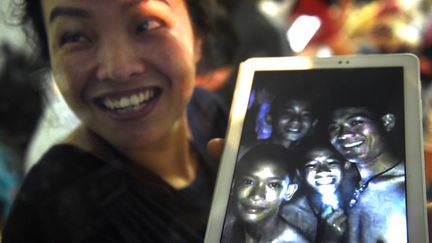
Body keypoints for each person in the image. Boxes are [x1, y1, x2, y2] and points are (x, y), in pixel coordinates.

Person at [2, 0, 235, 242]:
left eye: (146, 24)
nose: (119, 69)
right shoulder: (48, 218)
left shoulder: (209, 111)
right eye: (76, 36)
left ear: (197, 37)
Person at [328, 106, 406, 243]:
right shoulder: (347, 182)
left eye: (356, 122)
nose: (343, 135)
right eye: (334, 127)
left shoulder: (407, 190)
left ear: (387, 122)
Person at [222, 144, 309, 243]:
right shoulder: (220, 226)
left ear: (289, 192)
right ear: (233, 185)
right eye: (248, 182)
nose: (256, 195)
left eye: (273, 185)